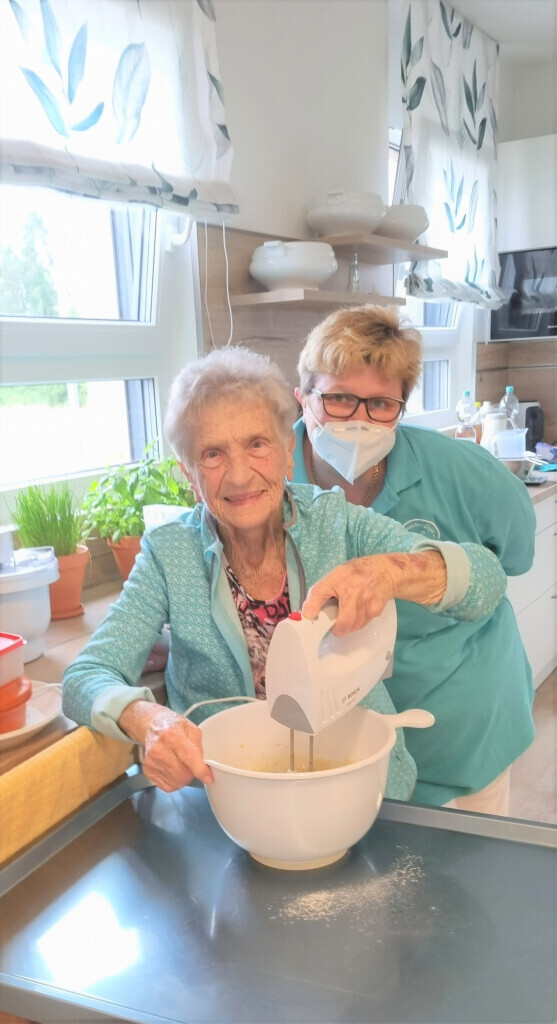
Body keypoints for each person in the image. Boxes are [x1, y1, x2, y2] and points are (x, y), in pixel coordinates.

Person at [63, 345, 507, 801]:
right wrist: (149, 720)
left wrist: (392, 572)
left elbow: (486, 580)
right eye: (212, 454)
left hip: (357, 788)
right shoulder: (169, 553)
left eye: (257, 444)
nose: (238, 476)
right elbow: (87, 675)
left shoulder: (337, 522)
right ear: (189, 475)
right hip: (232, 799)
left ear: (287, 449)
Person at [292, 303, 537, 814]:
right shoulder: (266, 478)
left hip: (459, 733)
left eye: (380, 404)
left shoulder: (461, 471)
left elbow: (514, 555)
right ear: (303, 397)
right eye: (339, 398)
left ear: (402, 406)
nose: (359, 419)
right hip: (332, 739)